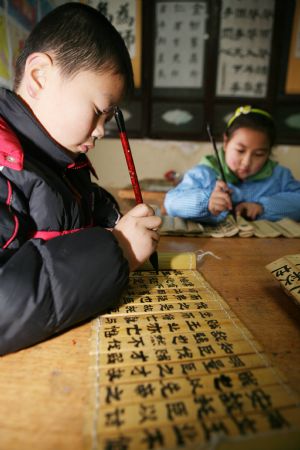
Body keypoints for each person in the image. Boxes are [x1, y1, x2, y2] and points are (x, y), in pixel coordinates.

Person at [0, 3, 161, 355]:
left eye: (109, 117)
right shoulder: (4, 163)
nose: (101, 130)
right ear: (40, 75)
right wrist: (119, 250)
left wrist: (111, 216)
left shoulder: (55, 161)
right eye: (97, 111)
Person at [164, 105, 300, 223]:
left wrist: (262, 207)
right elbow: (171, 203)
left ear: (269, 151)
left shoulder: (279, 176)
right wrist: (207, 202)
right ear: (226, 142)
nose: (246, 162)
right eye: (240, 151)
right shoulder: (205, 173)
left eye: (259, 154)